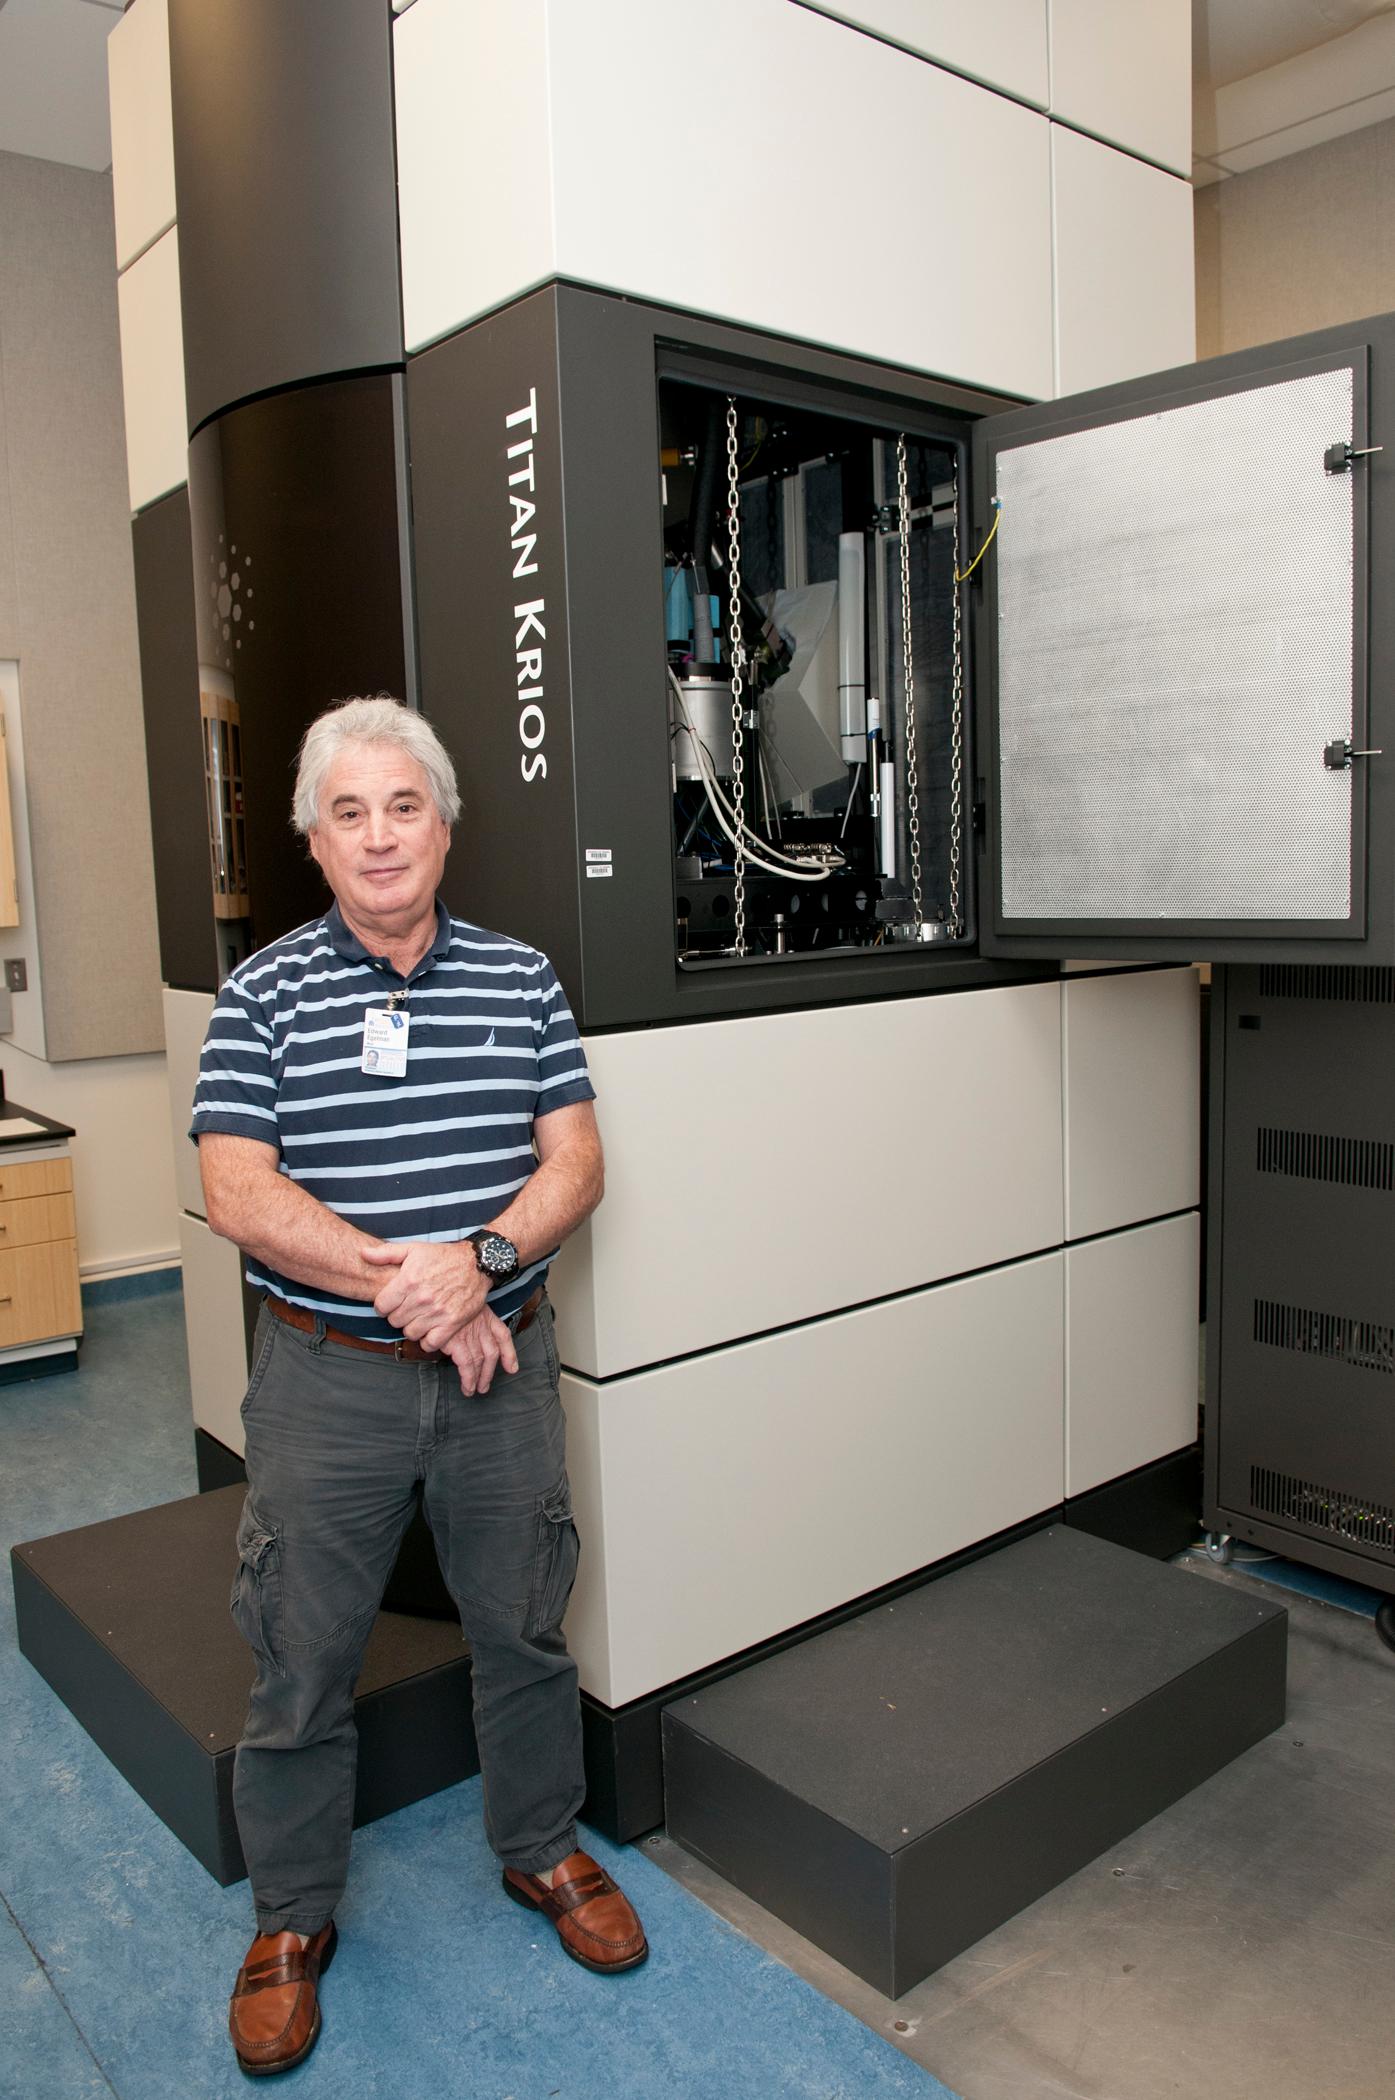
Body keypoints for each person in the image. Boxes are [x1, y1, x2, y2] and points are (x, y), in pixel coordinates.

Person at [192, 695, 646, 2078]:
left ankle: (539, 1848)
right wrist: (418, 1283)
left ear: (443, 827)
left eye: (404, 807)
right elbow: (235, 1190)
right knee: (303, 1655)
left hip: (501, 1376)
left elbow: (574, 1161)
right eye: (349, 813)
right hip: (330, 1382)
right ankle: (290, 1919)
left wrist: (486, 1259)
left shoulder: (521, 980)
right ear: (313, 845)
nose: (380, 836)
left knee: (521, 1627)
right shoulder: (260, 993)